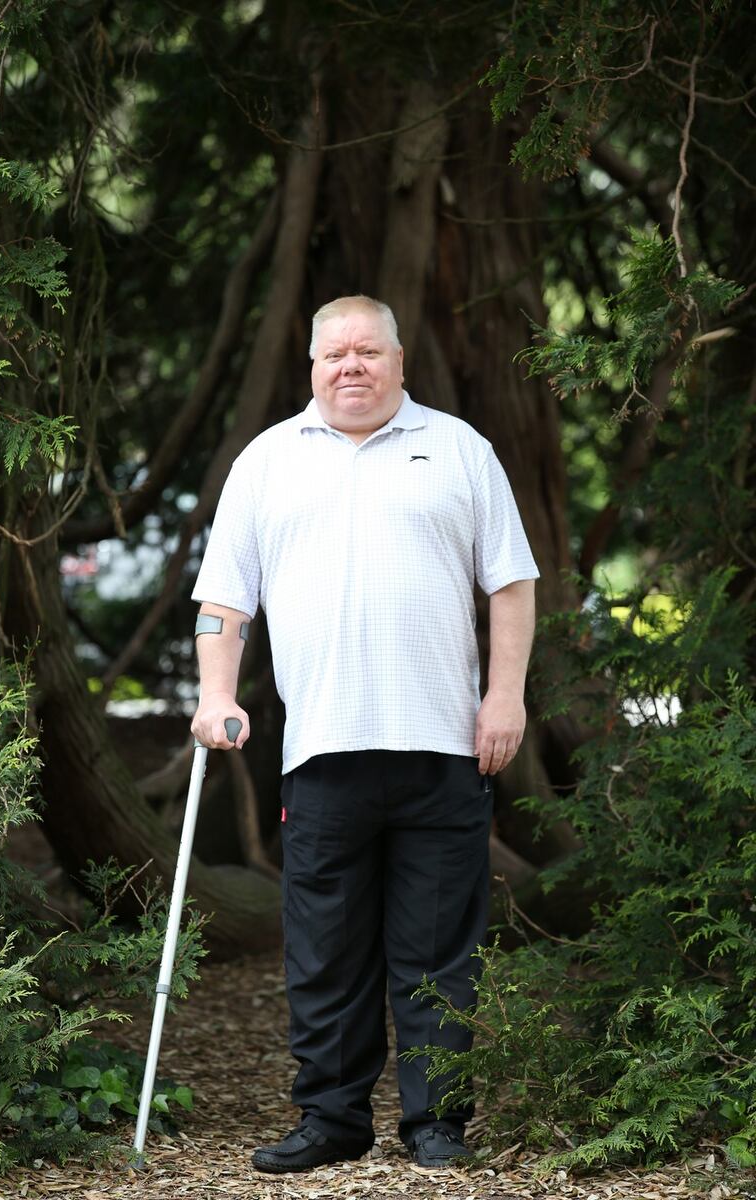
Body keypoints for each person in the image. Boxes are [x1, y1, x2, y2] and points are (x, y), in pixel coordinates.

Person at [190, 295, 538, 1172]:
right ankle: (333, 1120)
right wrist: (215, 693)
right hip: (322, 751)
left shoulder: (460, 449)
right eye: (333, 354)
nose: (351, 367)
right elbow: (225, 599)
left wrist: (505, 697)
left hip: (444, 746)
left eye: (367, 352)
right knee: (325, 950)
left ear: (399, 359)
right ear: (311, 366)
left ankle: (435, 1123)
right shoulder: (268, 461)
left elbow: (510, 585)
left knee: (436, 950)